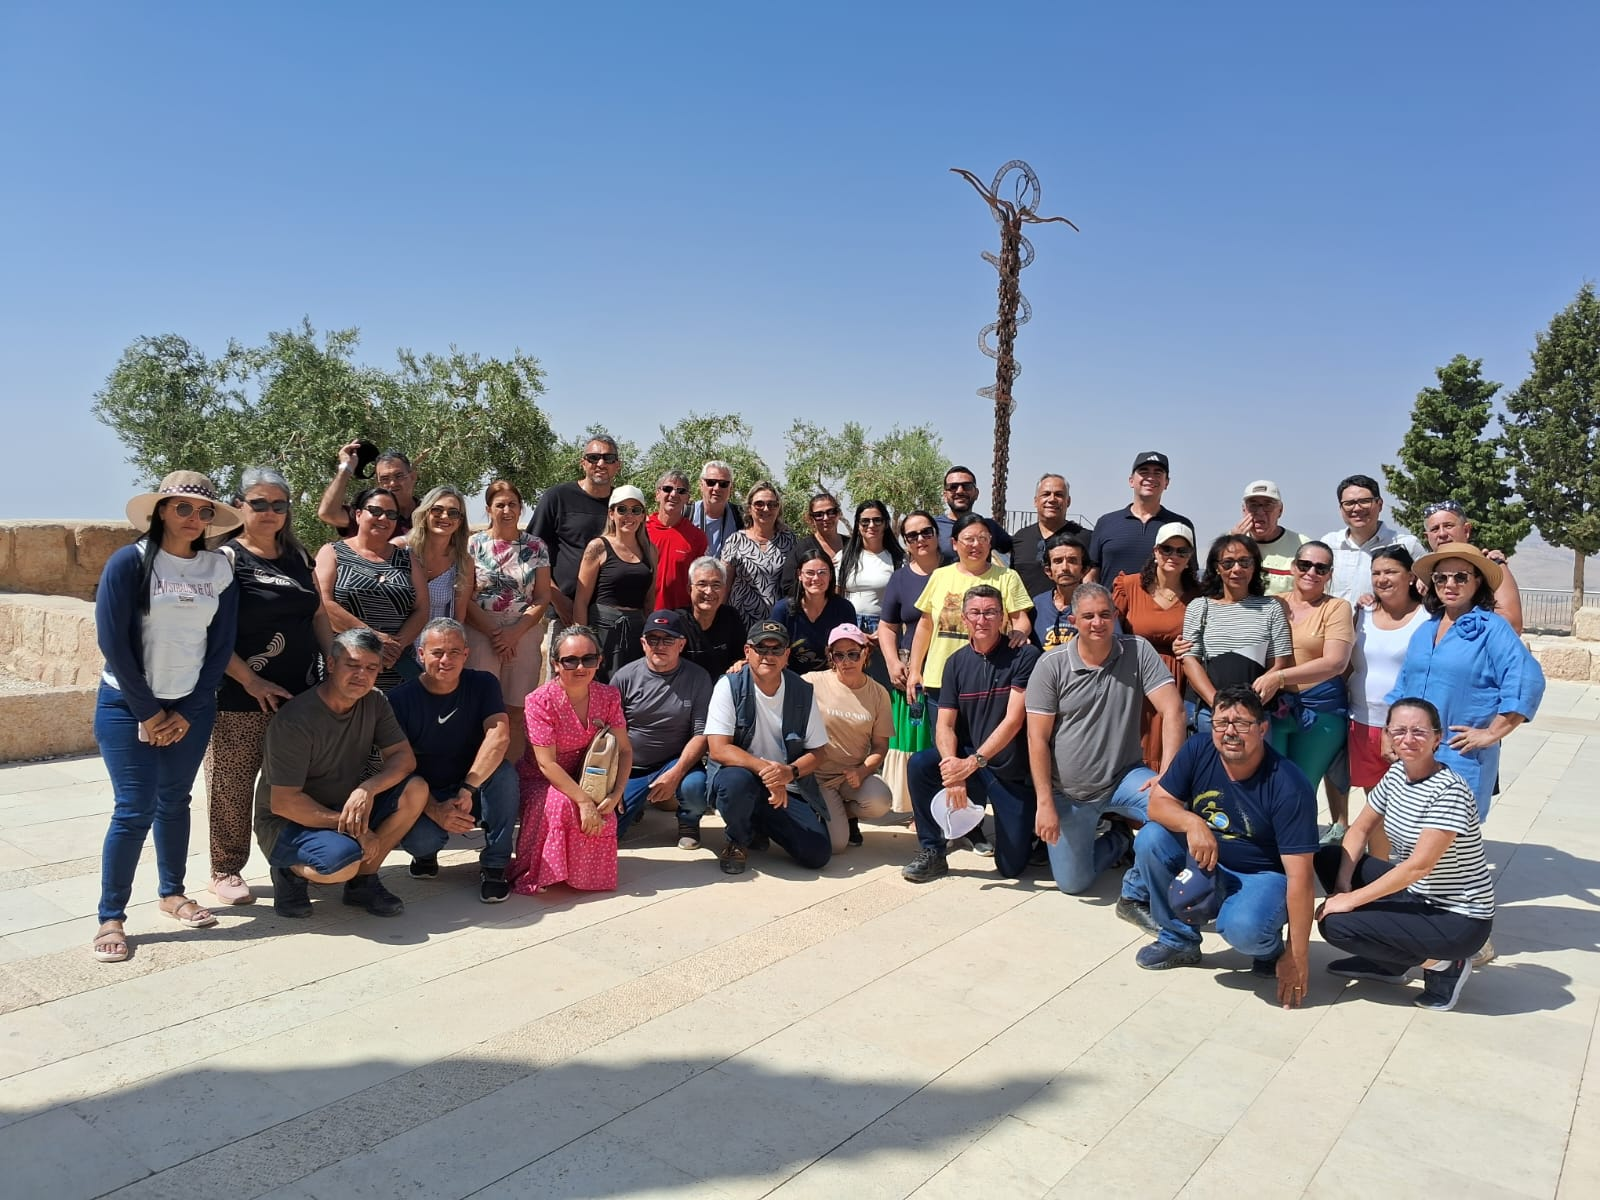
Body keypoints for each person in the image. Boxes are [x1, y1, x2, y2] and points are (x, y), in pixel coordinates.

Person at [92, 473, 241, 963]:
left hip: (191, 707)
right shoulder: (129, 563)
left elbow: (219, 648)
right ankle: (111, 917)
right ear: (161, 511)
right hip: (127, 704)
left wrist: (188, 710)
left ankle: (172, 893)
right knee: (134, 808)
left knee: (175, 800)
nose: (195, 519)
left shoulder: (217, 569)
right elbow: (113, 641)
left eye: (204, 512)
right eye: (183, 509)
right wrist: (150, 712)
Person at [1129, 685, 1319, 1010]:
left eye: (1242, 724)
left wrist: (1296, 955)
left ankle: (1268, 946)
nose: (1230, 732)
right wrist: (1193, 823)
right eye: (1221, 723)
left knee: (1242, 928)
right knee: (1151, 838)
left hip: (1262, 873)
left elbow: (1301, 877)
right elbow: (1157, 806)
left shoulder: (1289, 785)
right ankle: (1179, 940)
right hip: (1208, 858)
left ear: (1262, 728)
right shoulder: (1198, 749)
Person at [1315, 697, 1494, 1012]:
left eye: (1419, 732)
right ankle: (1388, 963)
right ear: (1387, 734)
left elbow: (1417, 867)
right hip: (1418, 896)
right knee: (1330, 858)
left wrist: (1350, 901)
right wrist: (1343, 886)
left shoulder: (1448, 791)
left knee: (1337, 926)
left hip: (1458, 918)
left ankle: (1444, 964)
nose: (1407, 740)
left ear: (1437, 738)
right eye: (1398, 731)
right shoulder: (1397, 774)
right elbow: (1358, 830)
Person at [204, 468, 331, 907]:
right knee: (232, 784)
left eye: (279, 504)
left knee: (295, 783)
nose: (270, 512)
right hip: (240, 696)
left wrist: (333, 657)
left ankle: (293, 862)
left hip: (300, 694)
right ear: (239, 505)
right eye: (259, 502)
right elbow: (210, 633)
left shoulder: (298, 555)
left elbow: (317, 615)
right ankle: (226, 868)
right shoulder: (226, 560)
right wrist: (251, 679)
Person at [1027, 583, 1185, 911]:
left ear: (1115, 616)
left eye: (1104, 615)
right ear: (1073, 620)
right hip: (1069, 793)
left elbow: (1173, 709)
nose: (1097, 623)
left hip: (1125, 779)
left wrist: (1167, 774)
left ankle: (1138, 887)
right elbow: (1037, 738)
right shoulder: (1051, 665)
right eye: (1088, 616)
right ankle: (1118, 839)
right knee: (1073, 885)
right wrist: (1044, 803)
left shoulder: (1137, 651)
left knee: (1175, 814)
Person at [255, 629, 430, 920]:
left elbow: (403, 758)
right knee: (341, 863)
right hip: (287, 821)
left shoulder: (374, 702)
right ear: (332, 665)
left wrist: (368, 789)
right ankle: (288, 871)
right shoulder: (295, 721)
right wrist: (357, 829)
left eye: (371, 668)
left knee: (416, 789)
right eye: (353, 665)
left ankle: (363, 883)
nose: (362, 675)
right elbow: (284, 803)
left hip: (343, 806)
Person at [1388, 544, 1544, 823]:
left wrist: (1492, 733)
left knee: (1450, 842)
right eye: (1441, 577)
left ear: (1477, 581)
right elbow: (1404, 686)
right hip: (1414, 753)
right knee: (1414, 834)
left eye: (1460, 577)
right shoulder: (1426, 630)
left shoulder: (1493, 629)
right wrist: (1389, 734)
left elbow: (1525, 679)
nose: (1450, 584)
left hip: (1460, 756)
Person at [902, 585, 1041, 882]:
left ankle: (1031, 833)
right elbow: (945, 724)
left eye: (990, 612)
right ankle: (933, 852)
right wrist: (954, 769)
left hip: (1009, 770)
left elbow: (1013, 721)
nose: (982, 620)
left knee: (1012, 867)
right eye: (975, 613)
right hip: (972, 762)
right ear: (964, 618)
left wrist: (971, 764)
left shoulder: (1024, 656)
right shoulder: (955, 663)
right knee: (920, 765)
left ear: (1002, 617)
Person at [386, 619, 519, 902]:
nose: (446, 660)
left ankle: (495, 865)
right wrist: (434, 809)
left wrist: (468, 789)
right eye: (437, 653)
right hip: (428, 793)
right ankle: (426, 856)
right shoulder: (398, 700)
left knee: (505, 774)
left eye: (454, 652)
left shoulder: (483, 684)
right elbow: (398, 768)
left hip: (472, 787)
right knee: (420, 840)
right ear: (421, 655)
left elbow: (499, 737)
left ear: (466, 654)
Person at [705, 621, 833, 876]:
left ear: (787, 654)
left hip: (786, 784)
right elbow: (718, 749)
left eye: (777, 650)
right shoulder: (728, 685)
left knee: (817, 853)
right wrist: (767, 770)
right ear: (747, 651)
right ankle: (737, 839)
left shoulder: (802, 691)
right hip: (744, 777)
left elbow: (819, 752)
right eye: (761, 648)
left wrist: (789, 773)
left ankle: (758, 822)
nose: (769, 656)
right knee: (735, 783)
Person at [511, 626, 632, 894]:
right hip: (540, 778)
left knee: (605, 810)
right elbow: (546, 764)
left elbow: (624, 750)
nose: (580, 667)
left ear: (599, 661)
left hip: (589, 775)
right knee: (562, 803)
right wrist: (584, 800)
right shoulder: (539, 701)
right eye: (570, 660)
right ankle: (540, 874)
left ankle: (585, 876)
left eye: (588, 659)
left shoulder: (608, 696)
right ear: (556, 664)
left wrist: (617, 792)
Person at [1264, 541, 1355, 835]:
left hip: (1320, 712)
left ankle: (1297, 856)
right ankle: (1269, 853)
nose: (1311, 572)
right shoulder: (1272, 603)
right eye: (1305, 565)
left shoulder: (1337, 608)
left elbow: (1335, 663)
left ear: (1329, 574)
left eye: (1321, 568)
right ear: (1293, 567)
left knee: (1302, 785)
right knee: (1268, 782)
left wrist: (1279, 677)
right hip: (1275, 708)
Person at [462, 479, 551, 767]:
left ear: (521, 508)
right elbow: (465, 597)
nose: (507, 510)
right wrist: (496, 633)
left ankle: (509, 779)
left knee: (516, 708)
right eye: (499, 504)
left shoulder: (536, 546)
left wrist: (514, 633)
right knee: (479, 708)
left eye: (512, 504)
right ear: (488, 509)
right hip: (480, 630)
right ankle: (475, 777)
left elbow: (542, 597)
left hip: (523, 631)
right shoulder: (473, 545)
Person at [1347, 546, 1429, 853]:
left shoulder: (1427, 617)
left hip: (1408, 731)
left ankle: (1421, 874)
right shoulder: (1362, 614)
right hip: (1363, 722)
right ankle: (1379, 871)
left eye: (1391, 572)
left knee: (1414, 807)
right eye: (1376, 573)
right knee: (1376, 805)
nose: (1382, 579)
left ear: (1410, 576)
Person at [905, 513, 1033, 707]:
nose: (976, 544)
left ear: (990, 543)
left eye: (983, 539)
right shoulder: (940, 576)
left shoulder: (1007, 577)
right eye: (969, 539)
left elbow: (1021, 619)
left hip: (991, 677)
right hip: (940, 679)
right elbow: (925, 625)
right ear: (955, 543)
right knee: (942, 736)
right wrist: (915, 670)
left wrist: (1020, 633)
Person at [612, 611, 712, 849]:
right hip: (631, 767)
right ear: (643, 643)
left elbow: (702, 734)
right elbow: (608, 733)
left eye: (668, 640)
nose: (660, 646)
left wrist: (675, 773)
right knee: (607, 835)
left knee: (695, 787)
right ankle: (633, 807)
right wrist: (614, 782)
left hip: (675, 761)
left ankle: (688, 821)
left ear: (681, 644)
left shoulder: (698, 678)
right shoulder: (624, 677)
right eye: (653, 639)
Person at [313, 485, 429, 691]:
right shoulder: (332, 552)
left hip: (396, 669)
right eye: (375, 511)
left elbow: (422, 609)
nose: (383, 518)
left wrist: (394, 648)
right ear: (358, 514)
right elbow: (322, 602)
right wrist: (373, 641)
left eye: (391, 514)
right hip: (347, 668)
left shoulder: (408, 558)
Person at [1180, 534, 1294, 737]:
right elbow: (1189, 661)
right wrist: (1218, 704)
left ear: (1254, 566)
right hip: (1208, 713)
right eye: (1228, 563)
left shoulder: (1272, 608)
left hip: (1254, 715)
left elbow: (1278, 663)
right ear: (1216, 567)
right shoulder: (1199, 607)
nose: (1237, 569)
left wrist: (1248, 707)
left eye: (1244, 562)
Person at [1113, 522, 1200, 772]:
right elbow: (1108, 629)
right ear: (1155, 551)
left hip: (1178, 679)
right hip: (1134, 676)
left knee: (1170, 741)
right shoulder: (1129, 585)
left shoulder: (1199, 595)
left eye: (1182, 551)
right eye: (1167, 549)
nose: (1174, 555)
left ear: (1190, 557)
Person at [805, 624, 894, 851]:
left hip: (851, 776)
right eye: (839, 655)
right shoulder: (813, 682)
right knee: (836, 846)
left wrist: (862, 771)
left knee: (880, 801)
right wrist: (743, 666)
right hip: (818, 777)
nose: (847, 661)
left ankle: (842, 814)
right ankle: (819, 809)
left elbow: (881, 746)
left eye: (853, 653)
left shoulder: (879, 693)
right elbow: (775, 682)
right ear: (831, 657)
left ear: (866, 652)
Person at [878, 510, 944, 809]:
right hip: (911, 674)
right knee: (915, 741)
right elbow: (887, 626)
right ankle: (919, 808)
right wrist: (893, 663)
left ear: (937, 533)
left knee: (944, 740)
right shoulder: (901, 579)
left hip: (949, 670)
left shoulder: (957, 569)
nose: (920, 539)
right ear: (905, 542)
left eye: (926, 531)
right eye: (912, 535)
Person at [528, 434, 621, 629]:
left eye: (608, 458)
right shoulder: (558, 497)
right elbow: (531, 552)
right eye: (593, 458)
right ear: (583, 463)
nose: (601, 463)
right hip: (565, 613)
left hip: (610, 614)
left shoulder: (622, 504)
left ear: (617, 465)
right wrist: (557, 599)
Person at [572, 485, 657, 681]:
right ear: (611, 513)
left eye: (636, 510)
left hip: (636, 632)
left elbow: (649, 599)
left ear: (643, 515)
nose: (629, 516)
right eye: (622, 509)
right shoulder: (598, 547)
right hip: (602, 631)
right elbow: (581, 601)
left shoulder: (651, 550)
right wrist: (583, 642)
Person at [1088, 451, 1194, 584]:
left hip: (1162, 604)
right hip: (1111, 604)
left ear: (1166, 482)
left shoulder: (1180, 525)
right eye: (1144, 472)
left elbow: (1190, 573)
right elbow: (1091, 574)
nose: (1150, 477)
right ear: (1131, 481)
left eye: (1158, 473)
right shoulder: (1106, 522)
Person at [1421, 500, 1523, 633]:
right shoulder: (1418, 574)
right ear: (1427, 537)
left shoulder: (1492, 566)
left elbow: (1512, 624)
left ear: (1466, 530)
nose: (1442, 534)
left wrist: (1462, 628)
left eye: (1448, 526)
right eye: (1434, 529)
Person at [1321, 473, 1425, 604]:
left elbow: (1428, 588)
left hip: (1387, 623)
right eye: (1349, 503)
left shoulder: (1406, 545)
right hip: (1334, 623)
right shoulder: (1329, 544)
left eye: (1364, 501)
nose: (1357, 508)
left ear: (1380, 504)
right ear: (1340, 509)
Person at [835, 499, 904, 688]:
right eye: (865, 521)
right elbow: (836, 597)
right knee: (850, 685)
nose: (871, 525)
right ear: (858, 525)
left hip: (884, 629)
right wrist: (851, 630)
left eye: (877, 520)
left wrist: (881, 631)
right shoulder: (844, 558)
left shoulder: (898, 559)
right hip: (849, 626)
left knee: (882, 688)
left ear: (885, 523)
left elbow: (902, 602)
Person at [770, 547, 858, 675]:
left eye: (822, 572)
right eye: (810, 573)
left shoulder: (844, 608)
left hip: (833, 680)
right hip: (792, 681)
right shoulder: (782, 610)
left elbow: (851, 651)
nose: (816, 578)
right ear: (799, 575)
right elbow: (773, 649)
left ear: (831, 575)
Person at [720, 480, 796, 626]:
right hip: (739, 622)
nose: (766, 509)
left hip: (776, 623)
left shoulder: (789, 540)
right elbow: (725, 585)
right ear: (749, 508)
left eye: (772, 504)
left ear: (778, 508)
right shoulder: (736, 540)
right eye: (759, 504)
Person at [407, 485, 473, 646]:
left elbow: (458, 616)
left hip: (435, 651)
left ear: (460, 521)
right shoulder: (401, 550)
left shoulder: (463, 562)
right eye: (437, 510)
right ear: (425, 512)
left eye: (453, 513)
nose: (445, 517)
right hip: (397, 648)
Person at [317, 444, 418, 537]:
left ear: (413, 477)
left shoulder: (428, 512)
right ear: (378, 483)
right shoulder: (370, 515)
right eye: (384, 479)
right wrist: (345, 468)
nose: (392, 483)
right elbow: (328, 513)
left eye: (399, 476)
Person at [645, 469, 709, 611]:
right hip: (642, 615)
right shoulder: (641, 530)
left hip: (678, 618)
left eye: (681, 491)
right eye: (667, 489)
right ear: (657, 495)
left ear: (687, 498)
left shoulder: (697, 537)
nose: (673, 494)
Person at [1009, 474, 1082, 598]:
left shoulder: (1084, 538)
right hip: (1024, 616)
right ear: (1035, 501)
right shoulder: (1020, 538)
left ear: (1068, 501)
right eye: (1046, 494)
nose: (1052, 499)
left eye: (1059, 494)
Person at [1233, 481, 1309, 596]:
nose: (1260, 512)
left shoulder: (1303, 546)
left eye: (1268, 505)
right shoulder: (1229, 544)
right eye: (1253, 505)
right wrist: (1234, 546)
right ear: (1244, 510)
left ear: (1280, 510)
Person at [677, 557, 748, 678]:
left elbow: (740, 657)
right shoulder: (677, 621)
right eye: (702, 584)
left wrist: (741, 663)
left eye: (716, 585)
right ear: (689, 589)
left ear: (724, 590)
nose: (709, 591)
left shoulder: (731, 617)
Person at [1031, 532, 1103, 651]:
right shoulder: (1037, 605)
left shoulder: (1099, 605)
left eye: (1072, 561)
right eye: (1058, 561)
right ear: (1048, 571)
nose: (1065, 567)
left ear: (1084, 570)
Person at [934, 465, 1014, 559]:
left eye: (967, 486)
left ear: (976, 493)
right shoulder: (932, 528)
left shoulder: (990, 527)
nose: (960, 491)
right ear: (945, 496)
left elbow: (1019, 548)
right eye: (953, 487)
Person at [781, 491, 849, 594]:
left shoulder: (852, 545)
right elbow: (788, 586)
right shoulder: (802, 549)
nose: (826, 518)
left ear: (838, 513)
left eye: (831, 512)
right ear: (811, 519)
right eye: (819, 515)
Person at [690, 460, 743, 556]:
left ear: (730, 488)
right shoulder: (686, 514)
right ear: (701, 485)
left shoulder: (741, 516)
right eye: (711, 482)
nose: (717, 488)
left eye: (723, 484)